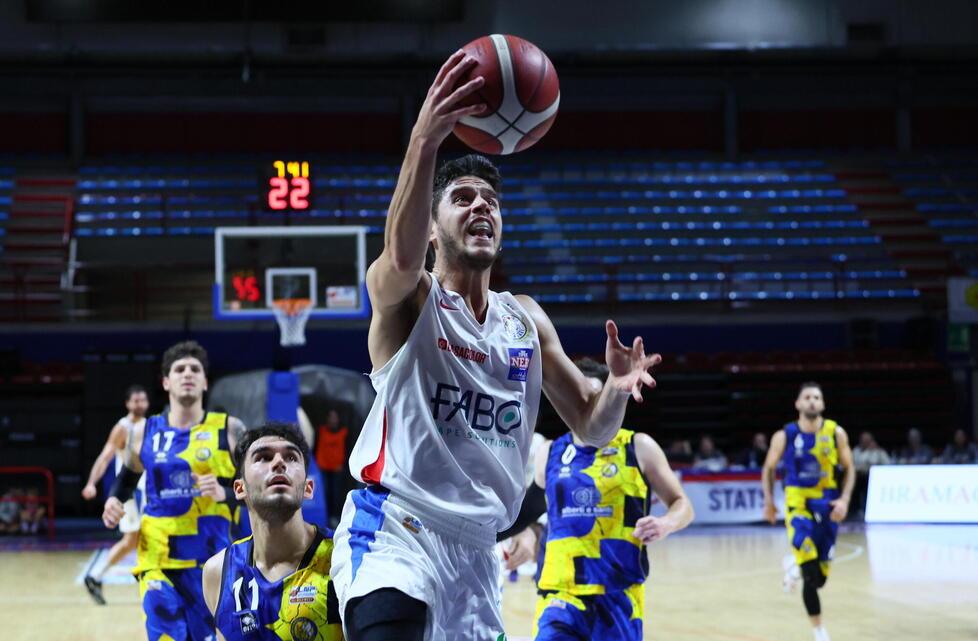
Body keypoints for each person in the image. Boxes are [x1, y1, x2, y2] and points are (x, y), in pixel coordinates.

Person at [330, 50, 661, 641]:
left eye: (491, 200)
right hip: (396, 528)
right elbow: (399, 261)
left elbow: (591, 427)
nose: (481, 205)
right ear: (432, 227)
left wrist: (614, 387)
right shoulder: (411, 300)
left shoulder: (524, 319)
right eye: (462, 198)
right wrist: (424, 140)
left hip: (479, 552)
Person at [526, 371, 694, 641]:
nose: (588, 407)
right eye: (580, 399)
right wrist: (524, 538)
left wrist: (666, 523)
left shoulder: (638, 447)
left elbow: (682, 504)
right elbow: (534, 511)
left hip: (619, 595)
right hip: (559, 591)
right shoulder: (549, 451)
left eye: (596, 398)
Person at [102, 340, 247, 641]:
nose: (187, 374)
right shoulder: (145, 431)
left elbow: (256, 490)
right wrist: (115, 499)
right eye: (179, 369)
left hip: (211, 561)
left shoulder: (229, 429)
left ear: (205, 381)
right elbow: (128, 476)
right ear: (166, 381)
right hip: (158, 559)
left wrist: (226, 492)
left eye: (195, 369)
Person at [202, 422, 342, 641]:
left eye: (291, 458)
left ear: (308, 488)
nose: (278, 463)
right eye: (263, 457)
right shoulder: (218, 572)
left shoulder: (342, 557)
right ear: (240, 489)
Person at [762, 382, 855, 641]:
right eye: (807, 397)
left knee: (820, 579)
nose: (812, 401)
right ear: (798, 404)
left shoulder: (836, 433)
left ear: (823, 404)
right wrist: (769, 501)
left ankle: (793, 564)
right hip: (798, 504)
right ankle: (819, 631)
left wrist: (845, 499)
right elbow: (768, 469)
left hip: (828, 504)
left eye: (817, 397)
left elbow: (849, 468)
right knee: (810, 571)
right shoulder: (785, 435)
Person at [81, 384, 150, 604]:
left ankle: (97, 576)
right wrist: (92, 482)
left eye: (143, 400)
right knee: (134, 539)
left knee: (137, 540)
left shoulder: (151, 425)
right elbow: (105, 457)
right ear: (127, 403)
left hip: (148, 491)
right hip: (130, 492)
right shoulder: (123, 427)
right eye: (135, 400)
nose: (139, 404)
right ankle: (96, 576)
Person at [315, 409, 349, 528]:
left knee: (335, 494)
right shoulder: (321, 431)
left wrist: (343, 465)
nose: (333, 420)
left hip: (337, 469)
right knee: (323, 493)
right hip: (322, 468)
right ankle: (324, 516)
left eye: (335, 417)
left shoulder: (344, 432)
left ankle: (334, 517)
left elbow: (348, 449)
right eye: (331, 417)